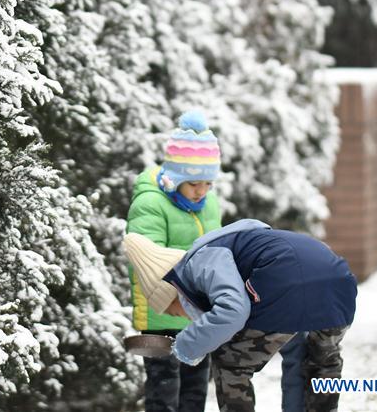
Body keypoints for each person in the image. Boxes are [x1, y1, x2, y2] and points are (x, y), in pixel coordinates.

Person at [124, 219, 358, 412]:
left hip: (285, 285)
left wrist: (186, 346)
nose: (184, 318)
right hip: (338, 284)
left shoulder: (202, 259)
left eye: (175, 311)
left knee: (230, 363)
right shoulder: (242, 242)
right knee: (318, 360)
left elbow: (233, 311)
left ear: (176, 290)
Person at [125, 110, 223, 412]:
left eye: (208, 184)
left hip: (197, 314)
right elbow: (147, 258)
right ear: (176, 177)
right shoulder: (151, 203)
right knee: (163, 390)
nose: (202, 192)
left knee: (195, 389)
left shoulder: (209, 204)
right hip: (160, 315)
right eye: (195, 184)